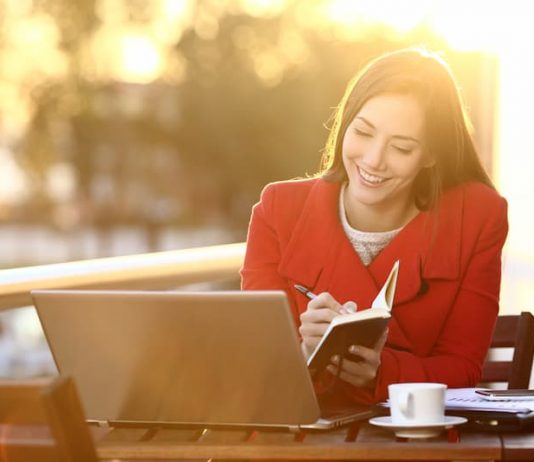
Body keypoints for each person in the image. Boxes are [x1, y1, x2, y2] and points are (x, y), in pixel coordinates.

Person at [240, 48, 508, 405]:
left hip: (408, 439)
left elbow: (464, 369)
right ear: (345, 123)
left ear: (431, 155)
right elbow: (253, 366)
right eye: (363, 132)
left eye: (401, 147)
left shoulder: (477, 217)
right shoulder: (279, 209)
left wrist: (385, 372)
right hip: (294, 439)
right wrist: (305, 351)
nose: (373, 160)